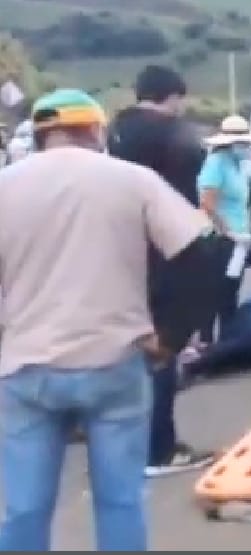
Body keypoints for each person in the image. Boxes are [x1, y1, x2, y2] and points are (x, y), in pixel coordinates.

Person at [0, 89, 215, 550]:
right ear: (96, 130)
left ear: (39, 134)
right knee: (120, 502)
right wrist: (171, 337)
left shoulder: (6, 185)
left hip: (24, 368)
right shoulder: (133, 180)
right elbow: (201, 254)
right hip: (115, 362)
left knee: (24, 507)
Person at [107, 64, 215, 477]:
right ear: (172, 97)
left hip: (119, 253)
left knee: (121, 351)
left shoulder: (115, 132)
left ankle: (119, 443)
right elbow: (186, 204)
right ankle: (159, 449)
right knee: (161, 350)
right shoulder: (174, 136)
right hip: (162, 254)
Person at [196, 114, 251, 344]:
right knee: (215, 293)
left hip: (238, 239)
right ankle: (206, 341)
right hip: (219, 238)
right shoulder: (216, 163)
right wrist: (227, 231)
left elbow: (242, 204)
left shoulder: (239, 166)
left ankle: (226, 341)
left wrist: (249, 229)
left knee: (230, 293)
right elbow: (207, 203)